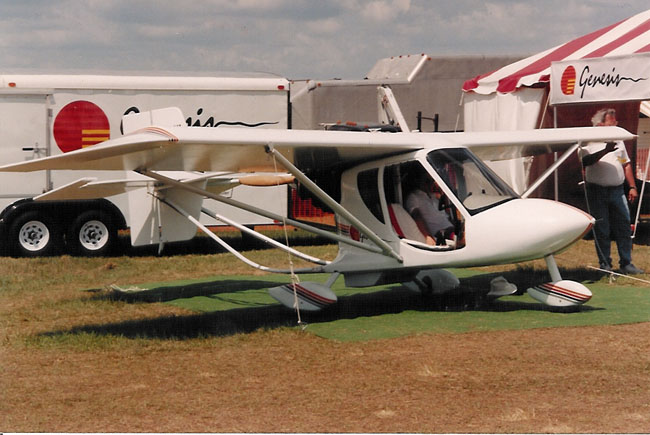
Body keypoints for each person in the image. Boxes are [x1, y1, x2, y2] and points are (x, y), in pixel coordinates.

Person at [579, 108, 644, 275]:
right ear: (601, 124)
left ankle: (626, 263)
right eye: (612, 122)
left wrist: (632, 186)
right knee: (602, 228)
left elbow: (625, 163)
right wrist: (605, 151)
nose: (616, 124)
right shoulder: (587, 140)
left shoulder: (618, 140)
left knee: (623, 226)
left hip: (617, 190)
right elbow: (586, 161)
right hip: (597, 191)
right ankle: (605, 264)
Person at [405, 172, 455, 246]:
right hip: (440, 233)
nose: (430, 183)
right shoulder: (414, 197)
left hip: (451, 228)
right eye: (427, 181)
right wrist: (427, 236)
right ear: (418, 181)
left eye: (432, 180)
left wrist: (442, 190)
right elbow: (417, 217)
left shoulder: (433, 196)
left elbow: (447, 211)